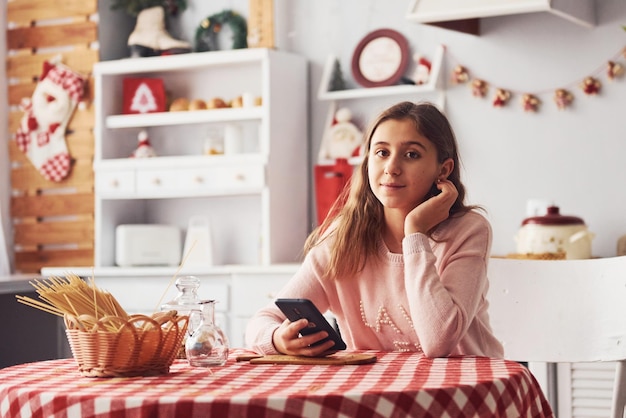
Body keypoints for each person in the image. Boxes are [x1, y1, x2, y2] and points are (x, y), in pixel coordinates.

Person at [245, 101, 504, 358]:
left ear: (443, 169)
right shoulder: (343, 238)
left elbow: (438, 343)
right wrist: (278, 339)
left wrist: (415, 234)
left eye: (411, 154)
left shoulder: (468, 231)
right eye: (381, 152)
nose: (391, 167)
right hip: (376, 392)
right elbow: (263, 320)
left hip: (463, 390)